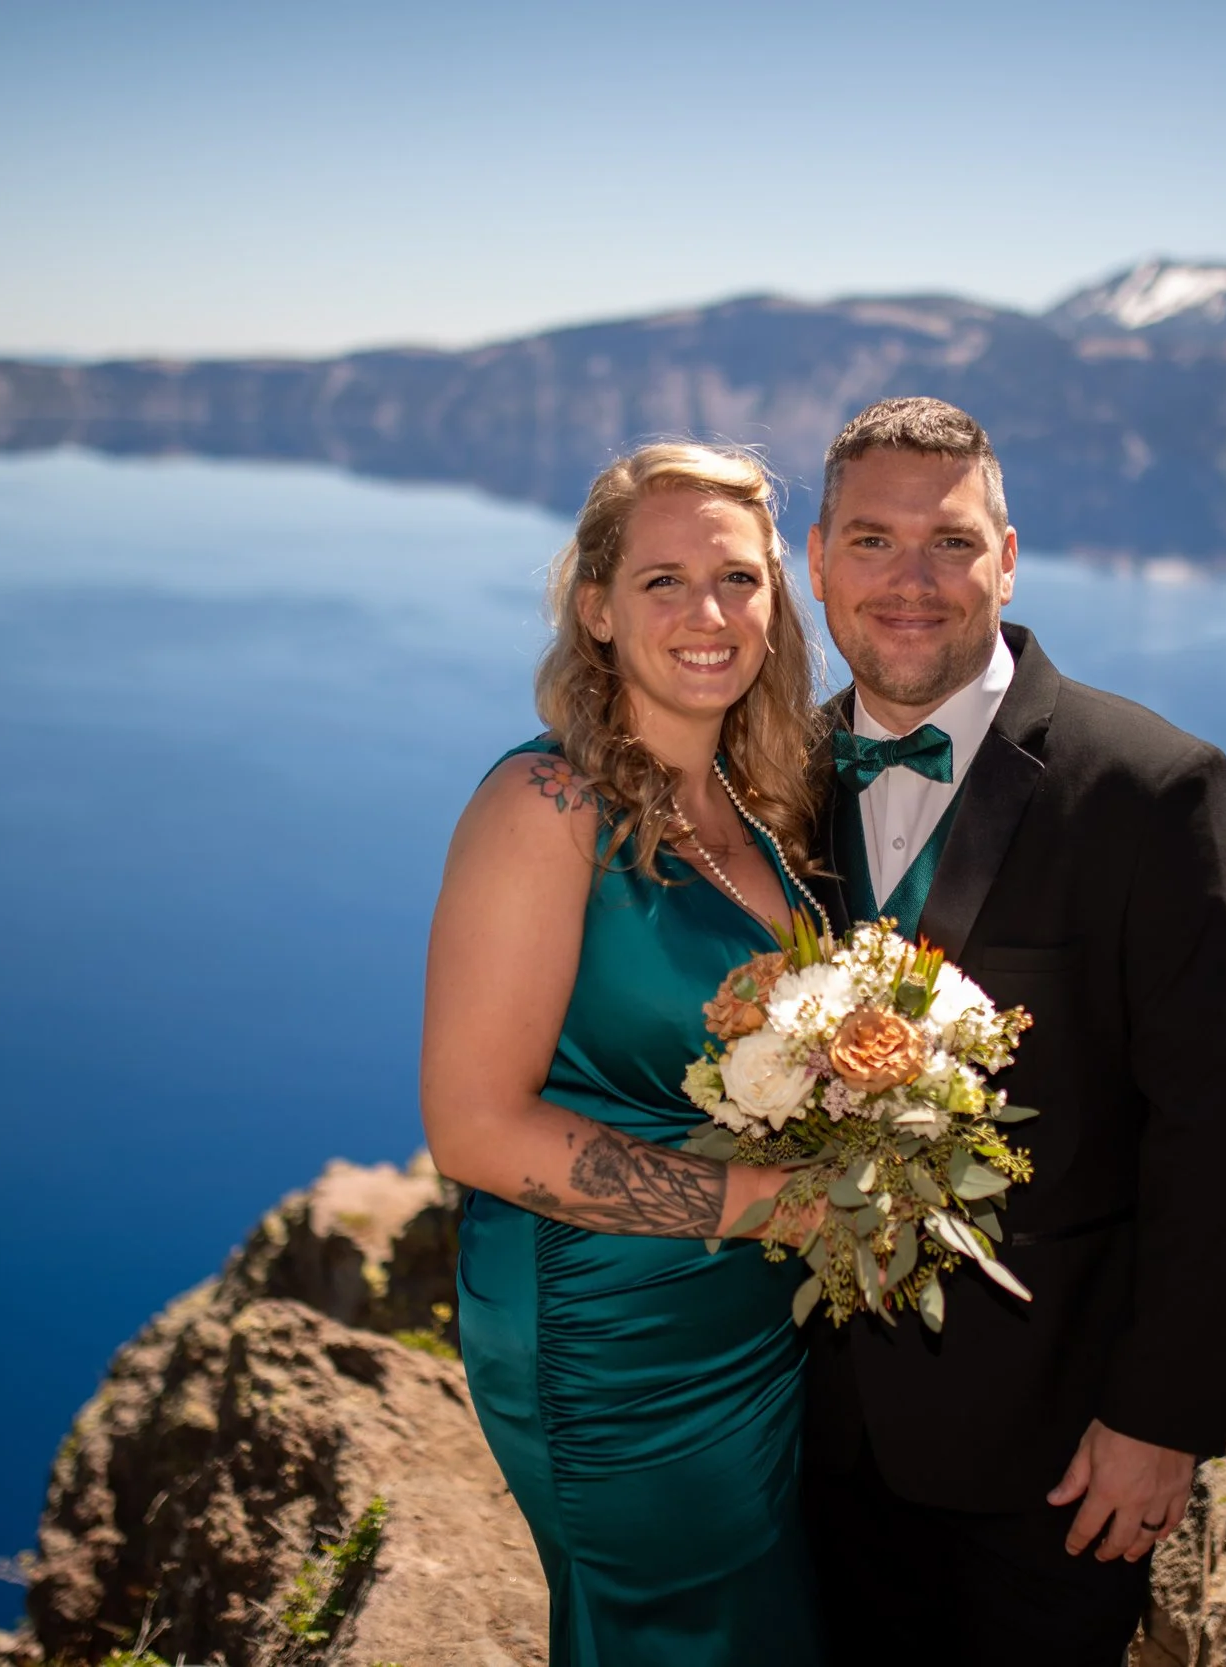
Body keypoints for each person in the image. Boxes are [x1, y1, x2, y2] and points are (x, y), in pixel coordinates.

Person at [797, 398, 1226, 1665]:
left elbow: (1212, 1130)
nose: (911, 581)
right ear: (816, 563)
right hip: (800, 1444)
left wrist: (1159, 1421)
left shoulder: (1148, 786)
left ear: (1007, 559)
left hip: (1053, 1463)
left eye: (949, 542)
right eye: (871, 541)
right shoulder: (771, 781)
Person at [420, 442, 829, 1666]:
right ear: (595, 609)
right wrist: (778, 1205)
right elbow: (475, 1126)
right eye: (663, 581)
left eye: (739, 579)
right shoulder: (544, 808)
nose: (709, 614)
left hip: (749, 1327)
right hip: (610, 1338)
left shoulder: (750, 815)